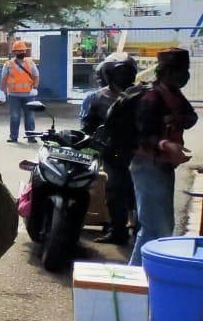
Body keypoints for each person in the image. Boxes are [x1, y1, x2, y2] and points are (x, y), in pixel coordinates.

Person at [128, 48, 197, 267]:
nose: (184, 75)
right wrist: (166, 144)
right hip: (146, 166)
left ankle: (147, 274)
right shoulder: (151, 96)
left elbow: (191, 117)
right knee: (152, 226)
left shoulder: (174, 94)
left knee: (164, 226)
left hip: (164, 167)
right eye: (179, 71)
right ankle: (136, 276)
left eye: (185, 70)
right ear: (166, 71)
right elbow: (141, 133)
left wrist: (177, 120)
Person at [81, 54, 139, 245]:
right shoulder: (100, 97)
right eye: (120, 72)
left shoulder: (141, 93)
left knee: (134, 192)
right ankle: (119, 230)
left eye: (126, 71)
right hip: (114, 151)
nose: (123, 76)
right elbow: (89, 125)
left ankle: (136, 228)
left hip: (138, 151)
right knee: (116, 190)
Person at [0, 40, 40, 143]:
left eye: (22, 50)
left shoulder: (30, 63)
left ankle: (31, 137)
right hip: (14, 95)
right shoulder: (8, 64)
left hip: (29, 95)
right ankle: (13, 137)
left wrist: (35, 88)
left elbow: (36, 76)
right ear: (14, 52)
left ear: (25, 51)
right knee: (14, 116)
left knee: (30, 117)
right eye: (18, 51)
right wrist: (1, 91)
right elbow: (4, 79)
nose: (21, 52)